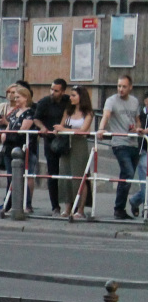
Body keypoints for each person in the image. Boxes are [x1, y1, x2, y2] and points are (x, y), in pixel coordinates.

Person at [99, 75, 142, 219]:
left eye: (124, 86)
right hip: (119, 143)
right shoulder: (111, 100)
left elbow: (137, 120)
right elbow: (106, 115)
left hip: (133, 142)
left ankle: (120, 209)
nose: (121, 89)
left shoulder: (135, 101)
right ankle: (118, 208)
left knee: (126, 177)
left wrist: (138, 129)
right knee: (128, 173)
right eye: (119, 86)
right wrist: (101, 128)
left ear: (130, 87)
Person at [33, 78, 70, 215]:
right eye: (52, 89)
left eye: (56, 90)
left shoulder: (67, 100)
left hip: (65, 139)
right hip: (50, 140)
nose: (53, 92)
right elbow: (36, 118)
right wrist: (42, 127)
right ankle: (55, 206)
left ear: (63, 91)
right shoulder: (44, 102)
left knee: (67, 172)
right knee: (52, 173)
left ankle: (69, 205)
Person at [58, 85, 94, 220]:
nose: (71, 98)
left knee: (80, 176)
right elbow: (61, 126)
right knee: (66, 175)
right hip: (66, 144)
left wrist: (63, 129)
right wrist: (59, 129)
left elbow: (83, 131)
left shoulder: (88, 113)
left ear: (81, 97)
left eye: (73, 95)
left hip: (79, 145)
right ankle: (67, 207)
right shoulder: (68, 111)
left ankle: (80, 209)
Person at [0, 85, 37, 214]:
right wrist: (4, 134)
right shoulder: (15, 112)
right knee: (11, 177)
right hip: (9, 146)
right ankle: (12, 204)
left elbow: (23, 130)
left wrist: (10, 132)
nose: (16, 99)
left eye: (18, 97)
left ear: (26, 98)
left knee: (22, 177)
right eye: (15, 97)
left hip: (21, 147)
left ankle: (26, 204)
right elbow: (9, 126)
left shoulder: (30, 112)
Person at [130, 94, 148, 217]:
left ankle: (135, 200)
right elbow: (135, 126)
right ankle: (146, 209)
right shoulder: (140, 113)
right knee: (145, 182)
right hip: (144, 151)